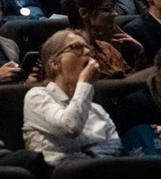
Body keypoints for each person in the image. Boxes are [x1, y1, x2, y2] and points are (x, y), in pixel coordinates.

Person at [22, 29, 125, 164]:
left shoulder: (97, 110)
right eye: (77, 47)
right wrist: (85, 82)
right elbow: (70, 127)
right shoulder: (36, 97)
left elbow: (118, 152)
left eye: (89, 49)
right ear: (55, 64)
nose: (88, 52)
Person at [64, 0, 147, 78]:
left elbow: (133, 83)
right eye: (106, 9)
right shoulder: (69, 51)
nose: (114, 13)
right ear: (83, 13)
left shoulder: (107, 48)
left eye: (112, 8)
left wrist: (139, 54)